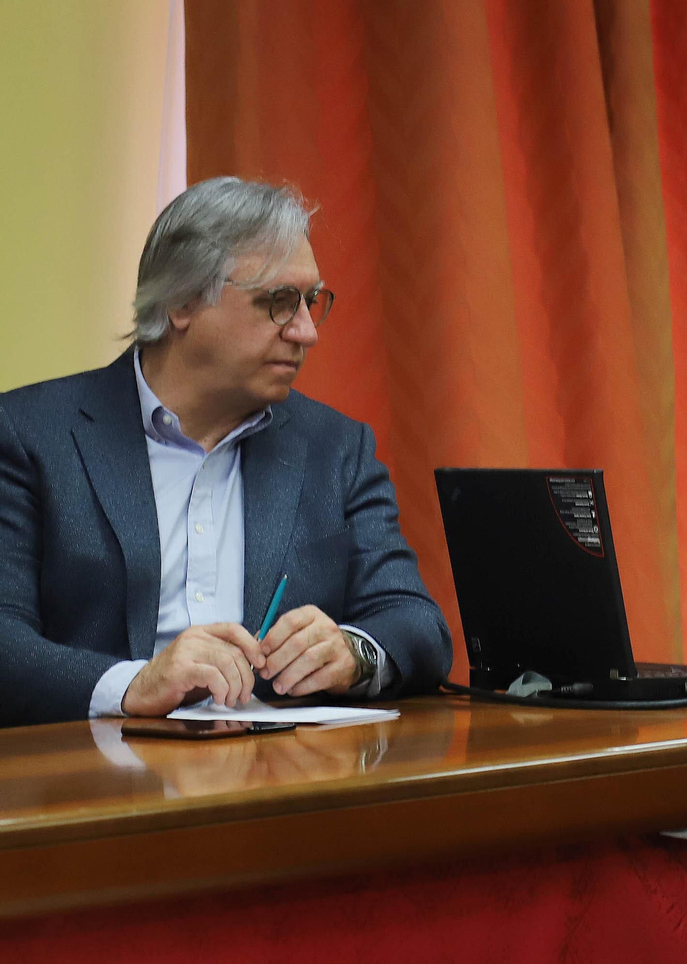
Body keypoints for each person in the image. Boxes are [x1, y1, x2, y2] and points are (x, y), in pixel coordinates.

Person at [0, 177, 452, 727]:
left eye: (311, 302)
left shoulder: (336, 448)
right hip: (96, 780)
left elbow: (416, 623)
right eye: (279, 303)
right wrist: (133, 685)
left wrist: (351, 653)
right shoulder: (31, 435)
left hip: (282, 780)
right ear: (182, 302)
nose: (307, 332)